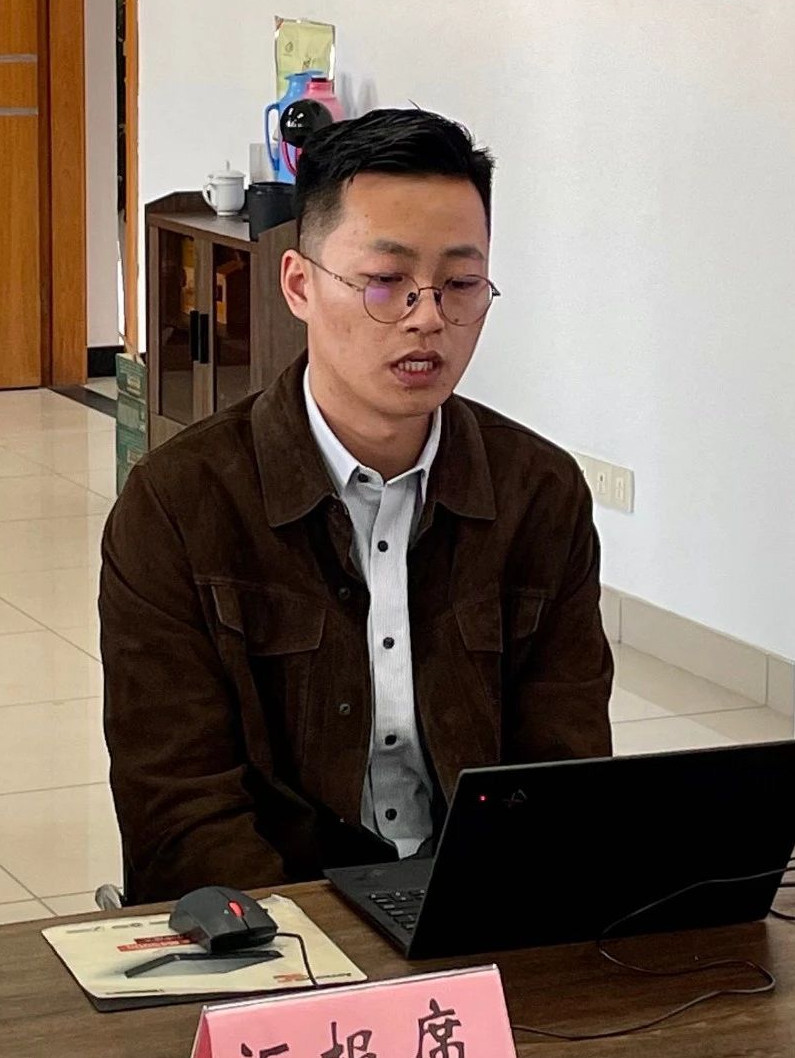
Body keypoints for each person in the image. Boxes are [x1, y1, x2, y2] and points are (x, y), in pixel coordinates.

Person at [100, 108, 613, 903]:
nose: (427, 316)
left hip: (477, 908)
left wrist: (484, 916)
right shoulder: (177, 504)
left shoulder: (540, 493)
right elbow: (180, 815)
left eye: (460, 284)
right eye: (385, 281)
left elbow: (565, 776)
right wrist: (322, 948)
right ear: (299, 284)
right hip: (277, 926)